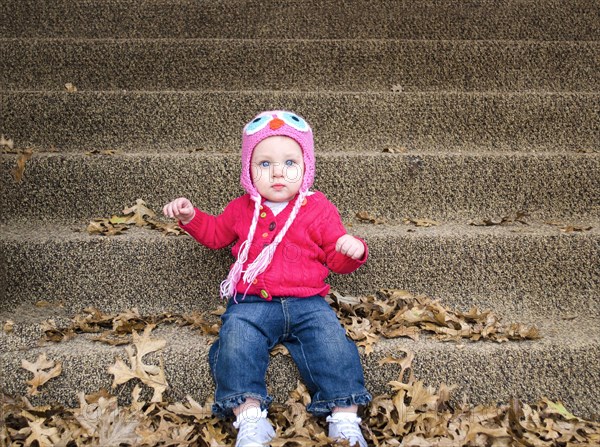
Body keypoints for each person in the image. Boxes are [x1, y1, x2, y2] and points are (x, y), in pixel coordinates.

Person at [163, 111, 371, 447]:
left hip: (308, 302)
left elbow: (335, 259)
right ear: (248, 171)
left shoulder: (317, 208)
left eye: (290, 162)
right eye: (264, 164)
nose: (277, 172)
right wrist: (192, 217)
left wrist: (351, 250)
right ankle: (249, 416)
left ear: (306, 168)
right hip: (253, 302)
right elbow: (216, 235)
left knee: (333, 344)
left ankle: (344, 417)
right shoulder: (242, 208)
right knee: (237, 340)